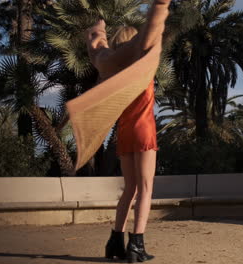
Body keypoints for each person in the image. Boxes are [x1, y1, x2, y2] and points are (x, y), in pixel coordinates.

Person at [84, 0, 171, 262]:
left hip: (124, 132)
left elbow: (95, 46)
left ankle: (115, 242)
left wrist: (99, 27)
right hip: (144, 131)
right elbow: (153, 32)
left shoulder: (108, 67)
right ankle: (137, 244)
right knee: (145, 189)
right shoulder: (141, 63)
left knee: (129, 189)